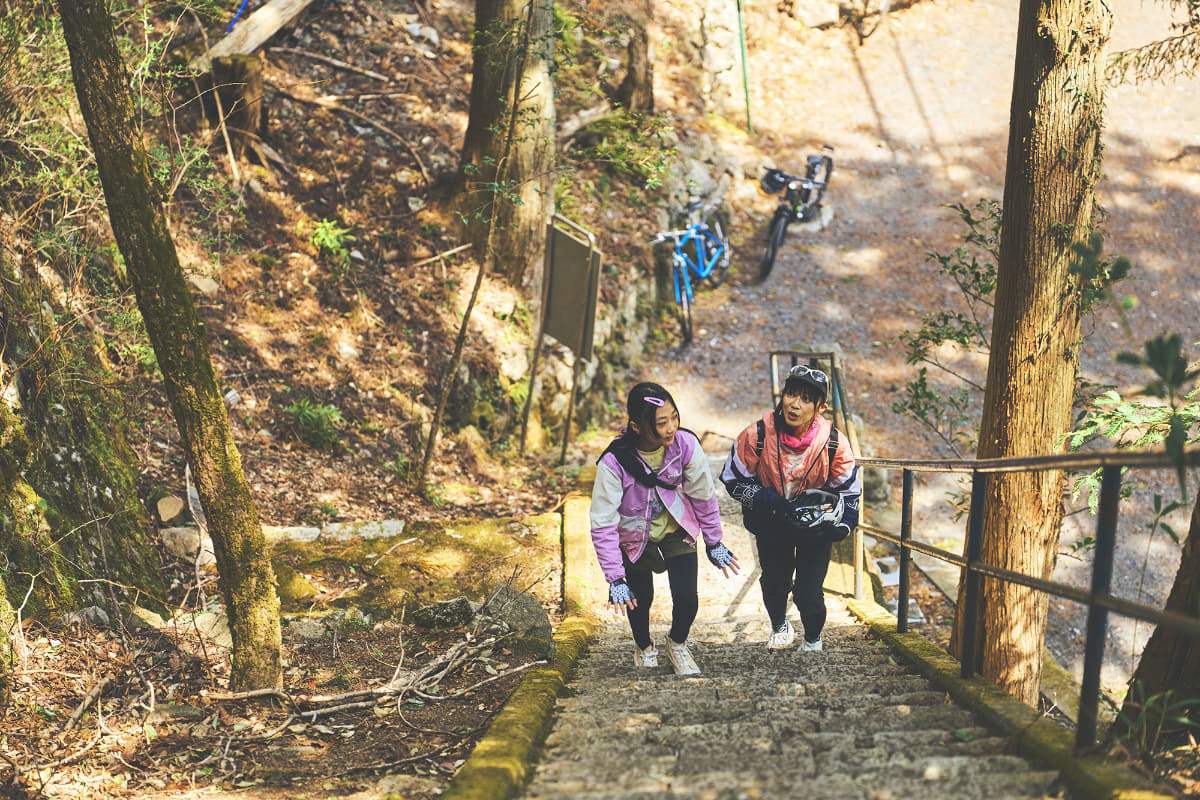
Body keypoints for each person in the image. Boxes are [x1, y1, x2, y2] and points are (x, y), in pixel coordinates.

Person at [590, 381, 740, 675]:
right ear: (637, 426)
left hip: (676, 528)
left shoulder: (686, 445)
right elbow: (603, 522)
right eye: (661, 423)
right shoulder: (614, 462)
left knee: (687, 599)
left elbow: (703, 493)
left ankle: (677, 643)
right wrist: (615, 577)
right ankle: (644, 647)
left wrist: (714, 541)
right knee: (639, 599)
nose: (671, 427)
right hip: (634, 538)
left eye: (674, 417)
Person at [720, 364, 861, 652]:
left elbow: (850, 491)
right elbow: (733, 480)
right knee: (774, 583)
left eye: (806, 399)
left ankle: (812, 640)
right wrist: (767, 500)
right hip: (772, 522)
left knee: (809, 593)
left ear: (820, 408)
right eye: (791, 394)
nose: (795, 404)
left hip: (815, 526)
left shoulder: (834, 442)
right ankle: (779, 625)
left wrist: (843, 527)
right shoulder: (757, 434)